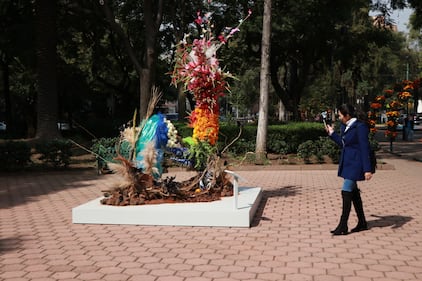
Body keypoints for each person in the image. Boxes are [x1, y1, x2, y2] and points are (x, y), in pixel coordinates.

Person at [325, 104, 373, 235]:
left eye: (340, 115)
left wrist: (367, 169)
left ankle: (343, 225)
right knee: (354, 193)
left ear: (347, 115)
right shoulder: (345, 126)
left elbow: (364, 148)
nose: (339, 118)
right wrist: (332, 134)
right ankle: (362, 222)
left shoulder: (360, 126)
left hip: (356, 164)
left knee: (346, 191)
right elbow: (344, 144)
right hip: (348, 163)